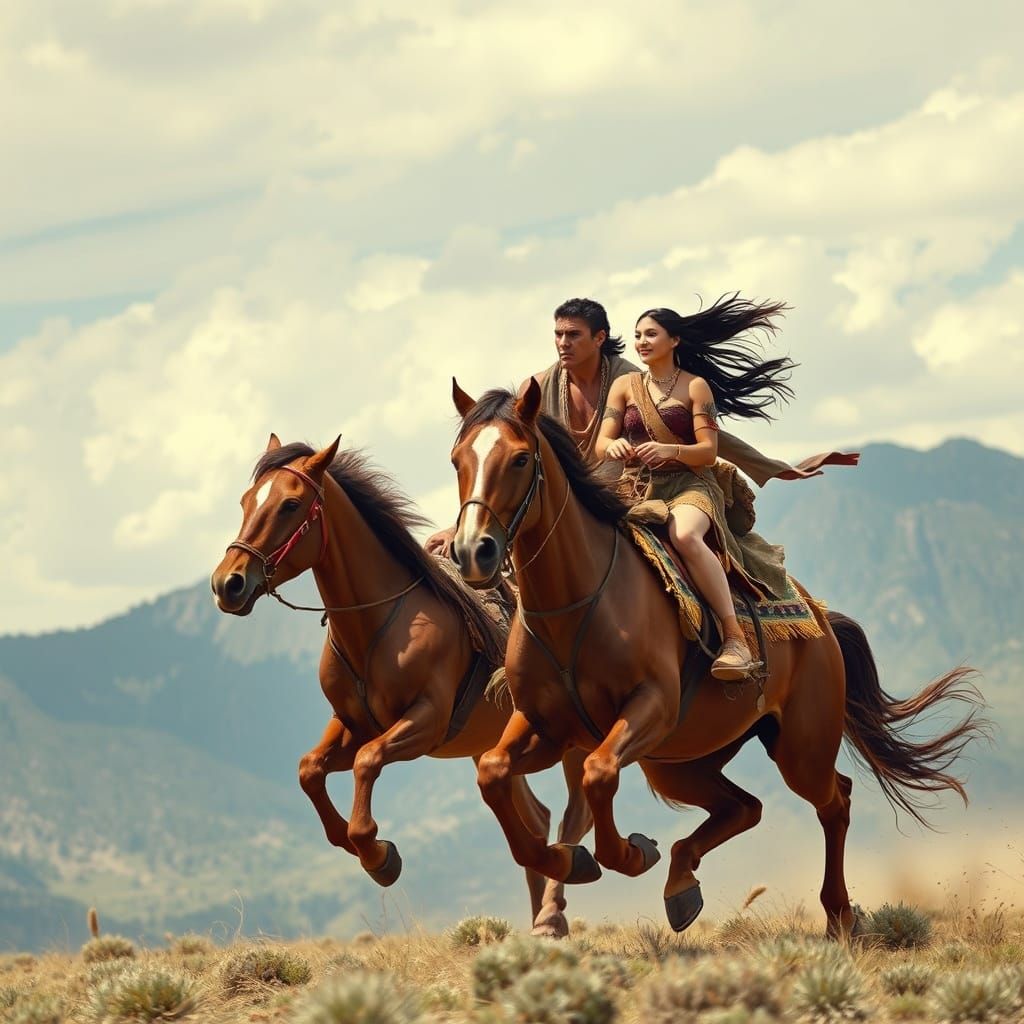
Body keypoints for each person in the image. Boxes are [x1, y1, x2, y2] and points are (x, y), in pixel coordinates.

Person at [595, 294, 858, 681]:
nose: (641, 342)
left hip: (689, 486)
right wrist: (613, 446)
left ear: (674, 340)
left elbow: (707, 452)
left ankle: (735, 639)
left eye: (651, 334)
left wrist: (670, 449)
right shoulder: (624, 386)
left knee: (684, 536)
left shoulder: (696, 387)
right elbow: (602, 442)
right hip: (635, 487)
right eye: (637, 335)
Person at [426, 297, 636, 555]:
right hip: (558, 511)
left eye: (573, 334)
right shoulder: (535, 389)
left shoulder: (633, 382)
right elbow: (504, 467)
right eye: (558, 334)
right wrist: (459, 527)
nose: (563, 343)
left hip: (628, 502)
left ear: (599, 338)